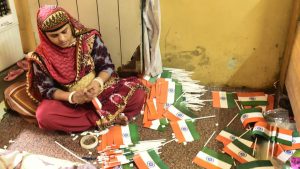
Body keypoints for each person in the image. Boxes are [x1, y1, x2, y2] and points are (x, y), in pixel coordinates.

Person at [24, 5, 146, 133]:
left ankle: (94, 119)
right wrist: (73, 97)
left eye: (64, 31)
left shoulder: (89, 38)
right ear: (44, 36)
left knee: (138, 93)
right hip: (70, 101)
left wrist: (97, 82)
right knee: (44, 116)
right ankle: (107, 117)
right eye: (54, 36)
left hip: (101, 90)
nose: (62, 39)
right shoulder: (40, 57)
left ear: (70, 25)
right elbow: (47, 90)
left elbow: (107, 66)